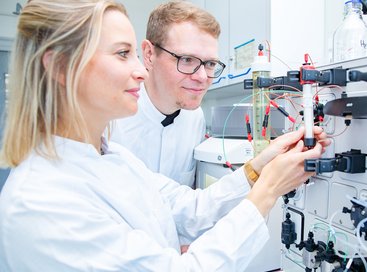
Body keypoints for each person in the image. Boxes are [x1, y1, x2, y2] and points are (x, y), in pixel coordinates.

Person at [0, 0, 330, 271]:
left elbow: (187, 208)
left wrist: (260, 167)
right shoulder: (40, 202)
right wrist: (269, 190)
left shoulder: (113, 157)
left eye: (210, 64)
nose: (140, 71)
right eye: (121, 54)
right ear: (59, 66)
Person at [111, 1, 222, 187]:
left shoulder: (196, 117)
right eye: (187, 60)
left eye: (210, 64)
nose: (202, 77)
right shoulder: (113, 120)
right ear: (149, 54)